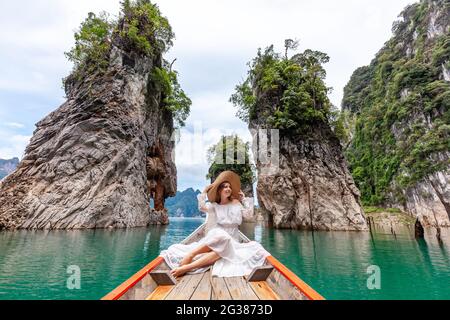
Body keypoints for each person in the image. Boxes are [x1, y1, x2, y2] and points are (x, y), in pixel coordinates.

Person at [159, 170, 270, 278]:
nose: (228, 188)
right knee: (222, 239)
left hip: (232, 239)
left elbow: (249, 215)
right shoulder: (214, 206)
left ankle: (187, 266)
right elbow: (202, 207)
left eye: (229, 187)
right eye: (225, 186)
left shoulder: (237, 203)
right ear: (219, 191)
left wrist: (244, 199)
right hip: (217, 235)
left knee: (239, 248)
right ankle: (191, 254)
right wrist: (204, 191)